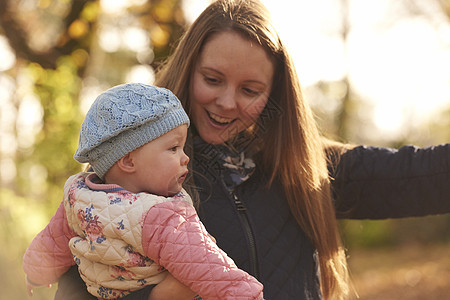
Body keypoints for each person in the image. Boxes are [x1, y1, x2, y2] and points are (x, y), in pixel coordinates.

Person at [52, 0, 450, 299]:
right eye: (212, 79)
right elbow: (72, 285)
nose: (227, 102)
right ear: (189, 68)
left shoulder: (307, 167)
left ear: (274, 94)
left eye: (250, 90)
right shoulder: (133, 172)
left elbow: (426, 175)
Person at [22, 83, 264, 299]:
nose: (185, 157)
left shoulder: (79, 195)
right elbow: (213, 270)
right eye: (173, 148)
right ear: (128, 161)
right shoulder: (160, 216)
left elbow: (51, 242)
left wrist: (35, 274)